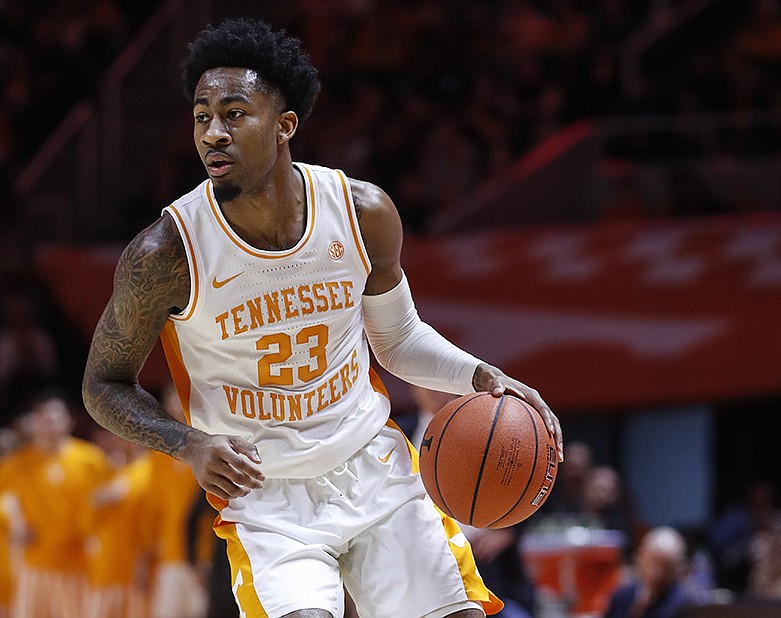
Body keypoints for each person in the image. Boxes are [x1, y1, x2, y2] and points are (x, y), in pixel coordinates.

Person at [81, 17, 563, 618]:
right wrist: (187, 443)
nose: (213, 132)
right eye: (202, 115)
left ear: (285, 126)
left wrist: (484, 377)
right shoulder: (166, 252)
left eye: (234, 113)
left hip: (373, 469)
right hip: (265, 498)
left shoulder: (361, 213)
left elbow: (399, 340)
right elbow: (102, 384)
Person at [0, 393, 111, 618]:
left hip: (80, 566)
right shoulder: (17, 464)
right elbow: (4, 498)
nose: (49, 424)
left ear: (69, 421)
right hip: (35, 565)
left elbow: (109, 502)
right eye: (43, 418)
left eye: (55, 418)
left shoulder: (91, 460)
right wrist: (14, 522)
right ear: (34, 423)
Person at [603, 526, 693, 618]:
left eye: (666, 566)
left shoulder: (683, 607)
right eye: (652, 562)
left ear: (679, 568)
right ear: (639, 558)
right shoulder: (621, 597)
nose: (657, 573)